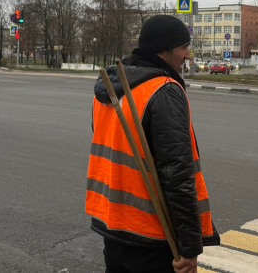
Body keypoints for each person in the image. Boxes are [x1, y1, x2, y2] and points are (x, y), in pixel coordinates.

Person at [86, 15, 220, 273]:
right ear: (164, 50)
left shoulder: (110, 88)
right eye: (183, 47)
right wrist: (189, 248)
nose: (187, 55)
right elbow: (177, 175)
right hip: (153, 235)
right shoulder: (164, 90)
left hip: (113, 224)